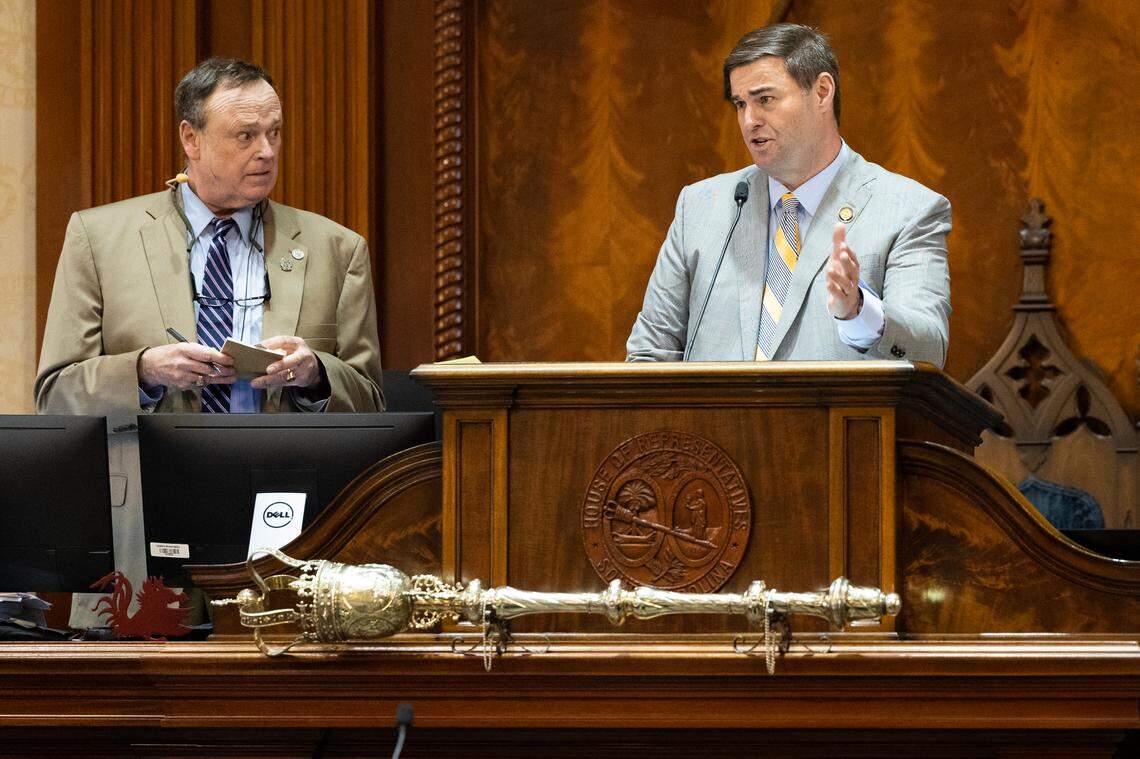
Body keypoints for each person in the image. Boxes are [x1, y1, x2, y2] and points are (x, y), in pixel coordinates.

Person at [36, 58, 384, 418]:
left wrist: (316, 375)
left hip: (280, 468)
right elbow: (55, 396)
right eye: (245, 136)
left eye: (274, 132)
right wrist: (143, 371)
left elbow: (372, 402)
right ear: (191, 139)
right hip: (155, 469)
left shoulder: (338, 249)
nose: (266, 151)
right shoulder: (98, 239)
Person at [626, 24, 951, 367]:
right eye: (740, 103)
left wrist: (859, 313)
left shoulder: (908, 210)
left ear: (822, 91)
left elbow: (929, 350)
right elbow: (648, 354)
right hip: (712, 422)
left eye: (765, 99)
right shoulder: (701, 207)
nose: (749, 120)